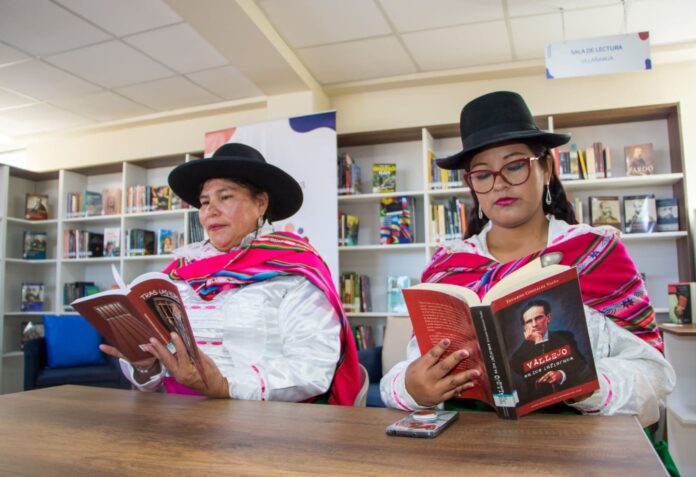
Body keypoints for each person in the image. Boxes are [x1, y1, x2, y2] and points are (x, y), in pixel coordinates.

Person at [380, 91, 674, 426]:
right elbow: (407, 371)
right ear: (471, 184)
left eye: (515, 165)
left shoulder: (597, 253)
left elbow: (655, 375)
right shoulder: (447, 269)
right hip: (473, 446)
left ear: (546, 168)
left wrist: (586, 386)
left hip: (582, 446)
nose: (500, 184)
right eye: (482, 174)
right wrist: (411, 387)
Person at [101, 143, 361, 404]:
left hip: (261, 423)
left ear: (260, 203)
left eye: (225, 197)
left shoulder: (294, 271)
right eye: (204, 202)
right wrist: (146, 365)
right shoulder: (177, 276)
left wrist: (226, 385)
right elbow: (154, 382)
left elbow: (312, 369)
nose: (210, 211)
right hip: (177, 416)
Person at [509, 300, 590, 402]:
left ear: (548, 318)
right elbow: (516, 367)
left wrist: (561, 374)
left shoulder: (565, 337)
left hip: (568, 397)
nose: (534, 324)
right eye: (529, 321)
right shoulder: (524, 348)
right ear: (525, 327)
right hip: (538, 402)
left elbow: (580, 365)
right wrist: (536, 341)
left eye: (538, 318)